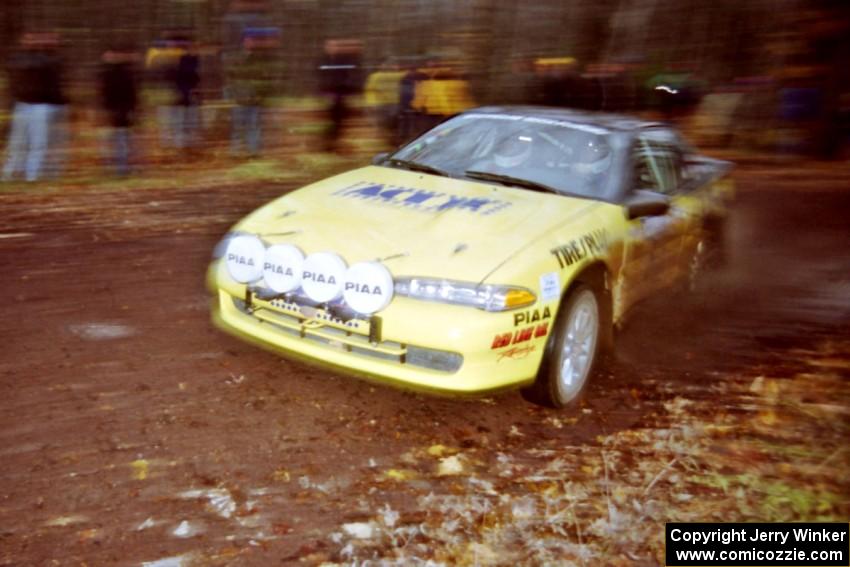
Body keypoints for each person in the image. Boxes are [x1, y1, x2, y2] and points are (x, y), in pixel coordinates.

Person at [2, 32, 65, 182]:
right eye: (27, 39)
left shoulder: (47, 61)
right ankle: (9, 173)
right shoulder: (17, 59)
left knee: (38, 142)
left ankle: (32, 175)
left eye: (33, 39)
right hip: (22, 104)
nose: (31, 42)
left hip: (40, 105)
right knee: (17, 142)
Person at [99, 46, 138, 175]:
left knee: (123, 140)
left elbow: (131, 94)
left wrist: (132, 109)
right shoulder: (105, 73)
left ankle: (123, 167)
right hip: (111, 111)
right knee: (113, 141)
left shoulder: (125, 72)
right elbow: (103, 94)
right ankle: (114, 167)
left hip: (122, 111)